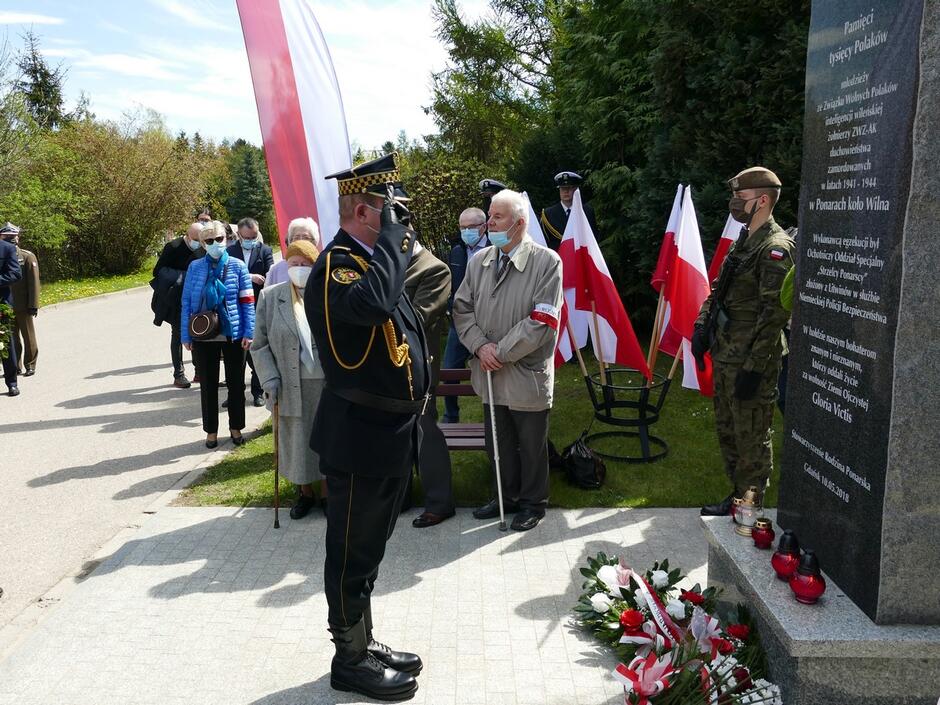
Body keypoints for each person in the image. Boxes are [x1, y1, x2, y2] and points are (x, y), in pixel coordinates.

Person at [304, 152, 429, 701]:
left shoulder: (370, 261)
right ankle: (348, 659)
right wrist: (395, 240)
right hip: (359, 435)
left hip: (389, 433)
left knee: (370, 549)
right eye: (391, 209)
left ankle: (364, 638)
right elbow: (377, 304)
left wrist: (393, 243)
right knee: (351, 550)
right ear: (364, 210)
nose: (400, 219)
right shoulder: (339, 267)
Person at [453, 189, 564, 532]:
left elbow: (542, 320)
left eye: (496, 216)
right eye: (489, 215)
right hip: (488, 373)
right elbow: (461, 308)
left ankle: (533, 503)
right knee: (497, 440)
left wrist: (497, 352)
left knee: (530, 445)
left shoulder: (547, 262)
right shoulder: (479, 261)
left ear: (518, 224)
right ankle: (506, 496)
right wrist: (480, 346)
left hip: (524, 373)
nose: (489, 222)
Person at [692, 167, 795, 517]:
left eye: (742, 197)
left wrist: (754, 368)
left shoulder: (774, 248)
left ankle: (750, 510)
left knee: (752, 436)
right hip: (726, 353)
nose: (734, 203)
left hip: (752, 361)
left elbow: (774, 315)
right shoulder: (743, 240)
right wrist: (702, 326)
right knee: (728, 430)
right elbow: (719, 288)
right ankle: (737, 497)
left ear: (763, 200)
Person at [251, 239, 326, 519]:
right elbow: (259, 345)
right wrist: (269, 378)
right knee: (296, 442)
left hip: (325, 382)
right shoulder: (271, 297)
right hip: (288, 383)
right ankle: (305, 493)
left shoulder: (328, 294)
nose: (299, 269)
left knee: (325, 438)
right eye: (294, 264)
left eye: (305, 265)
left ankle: (329, 493)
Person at [181, 220, 255, 448]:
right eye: (209, 241)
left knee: (236, 384)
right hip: (204, 334)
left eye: (219, 239)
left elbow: (247, 301)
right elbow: (186, 302)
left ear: (227, 238)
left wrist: (249, 331)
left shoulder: (238, 266)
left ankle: (236, 427)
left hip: (233, 333)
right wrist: (185, 335)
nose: (215, 244)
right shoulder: (195, 267)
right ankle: (210, 431)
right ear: (203, 244)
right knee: (208, 386)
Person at [404, 237, 455, 528]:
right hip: (388, 370)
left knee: (425, 434)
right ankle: (400, 498)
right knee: (394, 438)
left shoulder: (434, 270)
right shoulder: (387, 267)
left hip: (418, 368)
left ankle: (439, 502)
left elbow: (418, 318)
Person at [442, 207, 489, 423]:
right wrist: (453, 309)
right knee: (449, 370)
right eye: (462, 228)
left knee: (493, 372)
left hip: (489, 323)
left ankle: (497, 417)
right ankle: (451, 415)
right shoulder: (457, 252)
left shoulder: (495, 248)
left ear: (484, 226)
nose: (466, 232)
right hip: (460, 323)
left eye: (471, 227)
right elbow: (452, 286)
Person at [227, 217, 274, 407]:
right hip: (234, 309)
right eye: (247, 237)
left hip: (257, 308)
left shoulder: (265, 250)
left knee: (256, 353)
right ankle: (235, 395)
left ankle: (257, 391)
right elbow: (225, 275)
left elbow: (271, 274)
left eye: (254, 236)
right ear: (239, 235)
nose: (251, 240)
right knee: (235, 357)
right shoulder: (229, 252)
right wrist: (249, 276)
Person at [152, 222, 205, 388]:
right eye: (196, 239)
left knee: (198, 332)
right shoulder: (173, 247)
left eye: (201, 240)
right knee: (178, 335)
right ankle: (179, 374)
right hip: (175, 298)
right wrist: (182, 277)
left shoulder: (203, 248)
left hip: (196, 297)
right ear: (188, 236)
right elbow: (158, 271)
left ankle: (199, 371)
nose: (199, 243)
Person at [539, 171, 599, 251]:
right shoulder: (548, 214)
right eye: (562, 188)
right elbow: (545, 243)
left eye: (569, 188)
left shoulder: (587, 211)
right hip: (558, 258)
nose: (565, 191)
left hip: (580, 256)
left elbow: (593, 239)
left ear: (576, 189)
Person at [9, 228, 40, 377]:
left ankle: (30, 364)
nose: (11, 240)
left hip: (23, 305)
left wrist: (33, 305)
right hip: (7, 306)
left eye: (13, 237)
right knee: (12, 338)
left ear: (17, 239)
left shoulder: (27, 256)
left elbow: (34, 283)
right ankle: (15, 366)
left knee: (28, 336)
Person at [265, 217, 321, 288]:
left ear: (315, 242)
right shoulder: (276, 270)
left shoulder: (323, 266)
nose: (301, 241)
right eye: (296, 237)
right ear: (290, 241)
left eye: (306, 237)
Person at [0, 222, 22, 396]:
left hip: (1, 303)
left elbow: (15, 273)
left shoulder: (6, 248)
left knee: (6, 344)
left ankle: (12, 382)